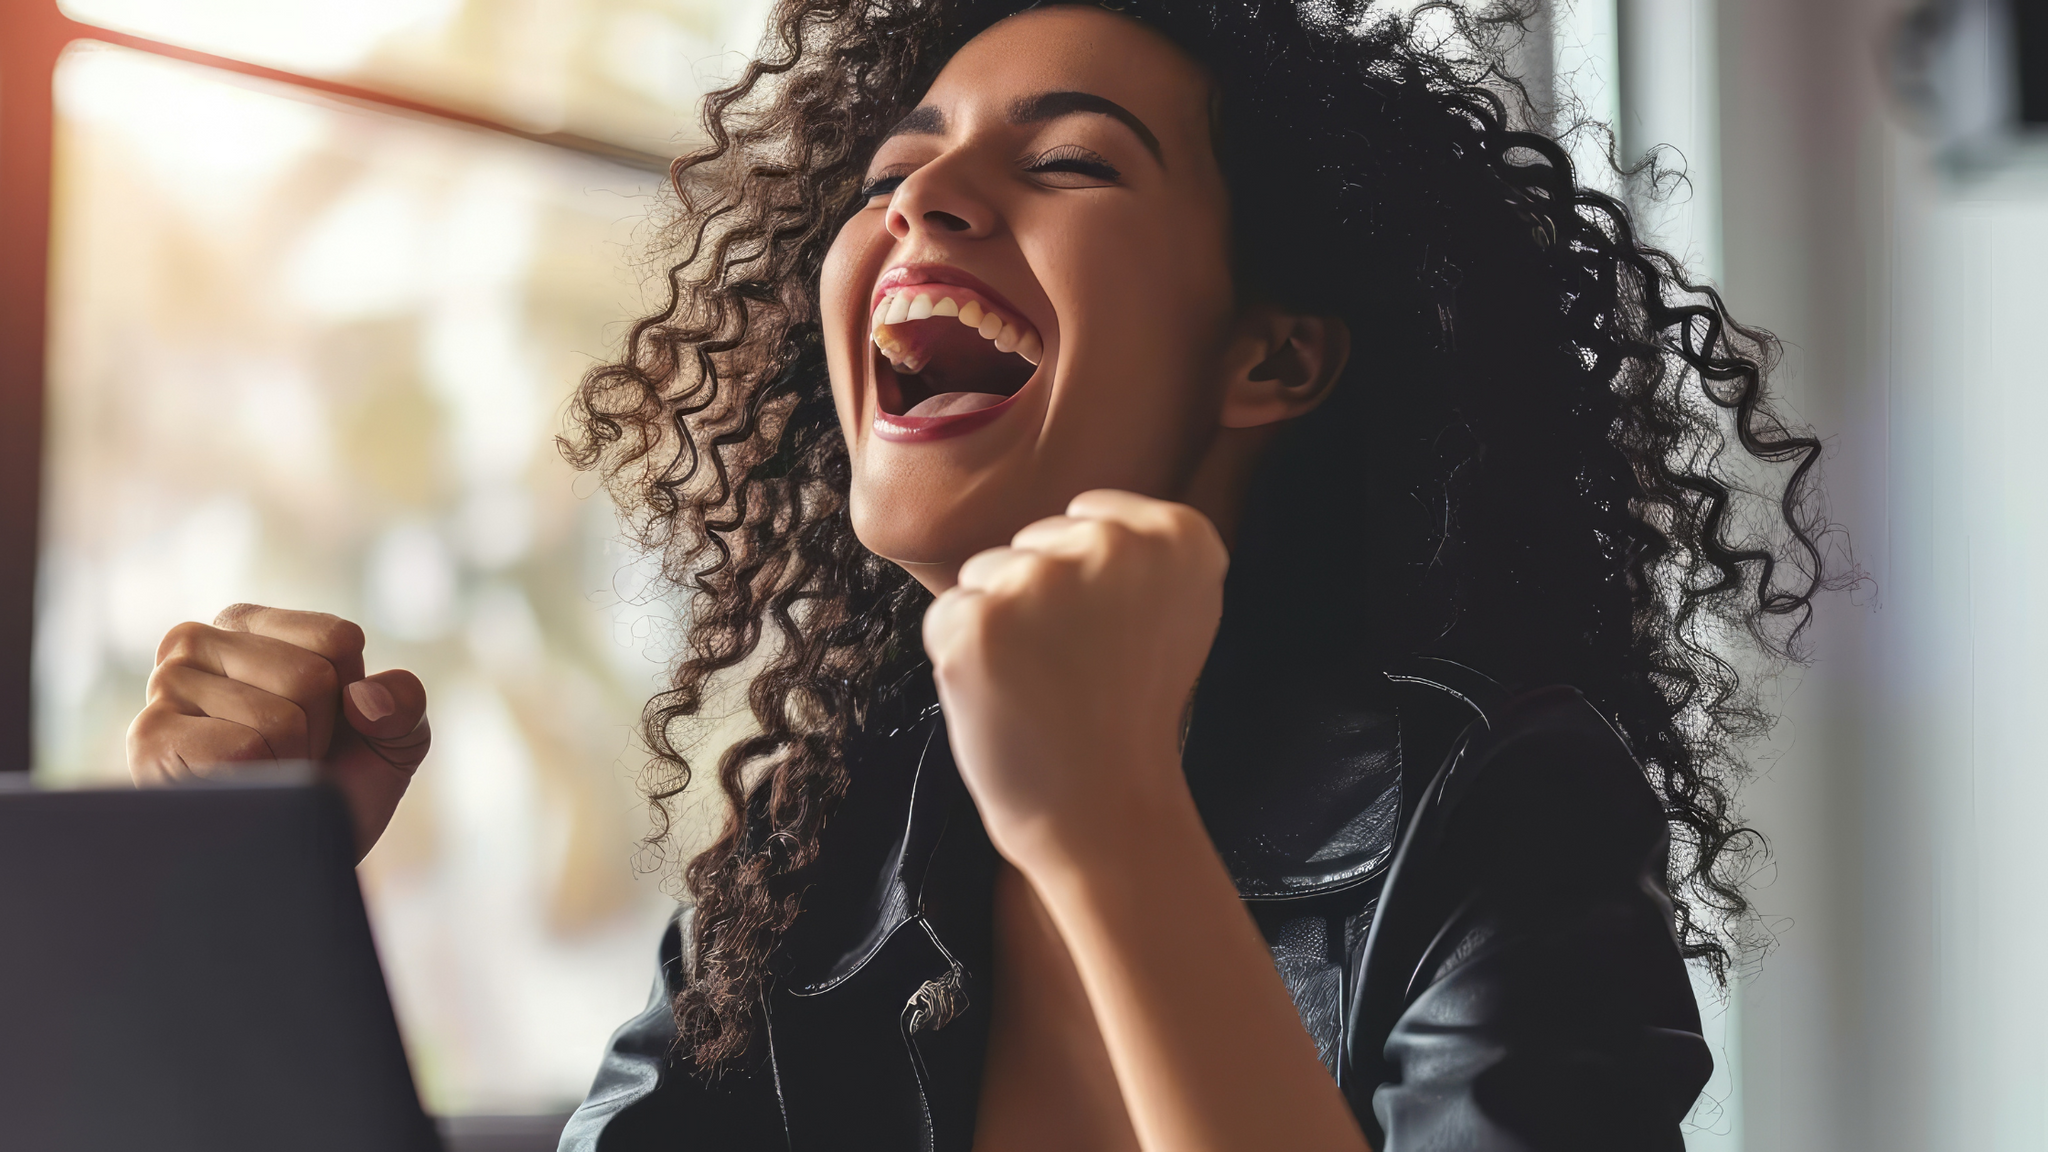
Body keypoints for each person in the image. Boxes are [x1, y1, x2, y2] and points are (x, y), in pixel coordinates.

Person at [126, 2, 1827, 1149]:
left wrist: (1106, 814)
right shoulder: (822, 844)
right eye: (891, 172)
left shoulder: (1488, 799)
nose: (926, 195)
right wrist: (230, 906)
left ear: (1276, 360)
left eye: (1069, 159)